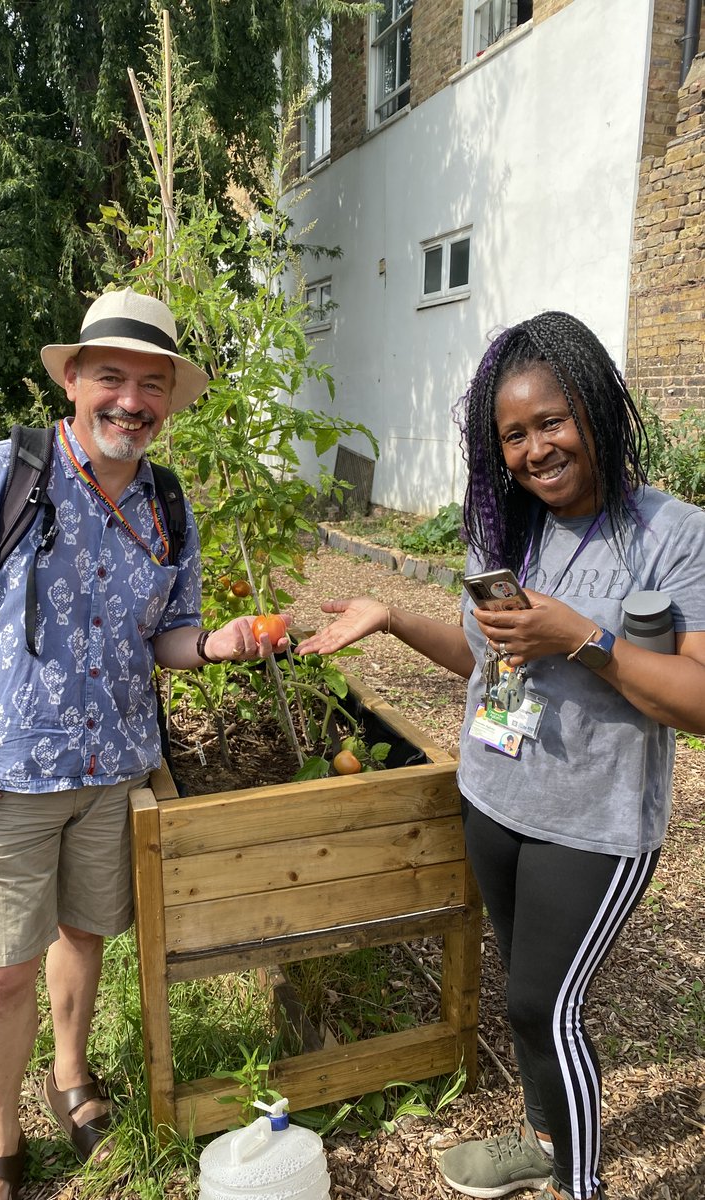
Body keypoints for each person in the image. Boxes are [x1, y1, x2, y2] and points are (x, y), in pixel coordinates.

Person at [295, 311, 705, 1200]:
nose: (535, 450)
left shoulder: (675, 534)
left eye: (551, 421)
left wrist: (583, 637)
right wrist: (398, 619)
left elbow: (700, 701)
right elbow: (485, 665)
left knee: (539, 1005)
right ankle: (542, 1141)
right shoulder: (507, 531)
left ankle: (580, 1184)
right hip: (495, 801)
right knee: (524, 989)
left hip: (593, 827)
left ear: (594, 405)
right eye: (513, 434)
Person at [0, 288, 286, 1200]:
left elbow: (167, 637)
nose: (131, 401)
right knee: (3, 971)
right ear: (74, 379)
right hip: (7, 773)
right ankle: (0, 1138)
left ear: (168, 402)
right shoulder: (5, 474)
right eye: (110, 376)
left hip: (116, 769)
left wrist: (218, 644)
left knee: (86, 934)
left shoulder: (166, 502)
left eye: (151, 385)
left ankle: (69, 1075)